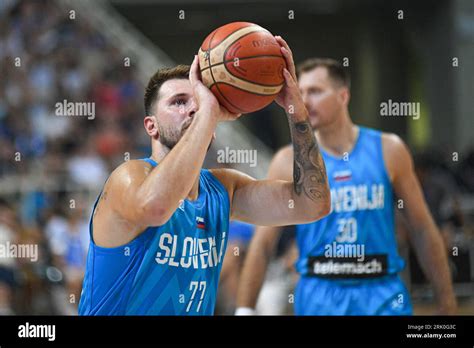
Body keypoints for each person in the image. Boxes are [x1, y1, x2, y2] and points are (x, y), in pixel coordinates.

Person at [78, 37, 331, 315]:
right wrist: (208, 111)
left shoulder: (223, 188)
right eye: (178, 102)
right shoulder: (128, 176)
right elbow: (157, 207)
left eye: (198, 100)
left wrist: (297, 111)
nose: (193, 108)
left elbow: (312, 204)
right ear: (152, 126)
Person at [236, 57, 457, 315]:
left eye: (315, 91)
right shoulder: (287, 160)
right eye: (301, 92)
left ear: (343, 96)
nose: (304, 101)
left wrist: (447, 302)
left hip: (381, 292)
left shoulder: (390, 150)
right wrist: (244, 309)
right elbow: (263, 244)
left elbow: (422, 228)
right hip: (319, 295)